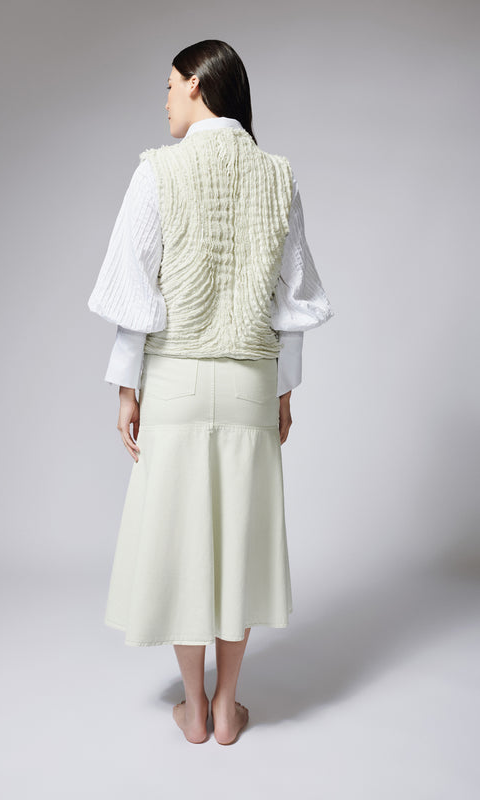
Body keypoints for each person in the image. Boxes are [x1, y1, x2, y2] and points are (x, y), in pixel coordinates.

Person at [88, 40, 334, 745]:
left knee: (183, 541)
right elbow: (294, 300)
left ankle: (192, 707)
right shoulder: (277, 175)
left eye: (169, 85)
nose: (165, 99)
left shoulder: (157, 171)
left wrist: (126, 387)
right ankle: (229, 706)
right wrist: (283, 391)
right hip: (251, 381)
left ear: (197, 85)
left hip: (176, 381)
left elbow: (133, 287)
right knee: (240, 542)